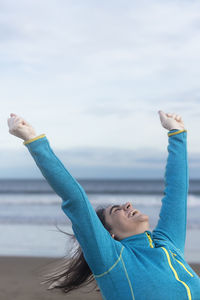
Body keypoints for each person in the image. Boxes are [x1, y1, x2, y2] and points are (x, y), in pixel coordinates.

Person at [7, 111, 200, 300]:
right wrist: (33, 140)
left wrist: (177, 134)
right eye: (117, 210)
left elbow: (177, 193)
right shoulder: (112, 257)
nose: (127, 205)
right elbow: (76, 199)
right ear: (109, 235)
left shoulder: (167, 243)